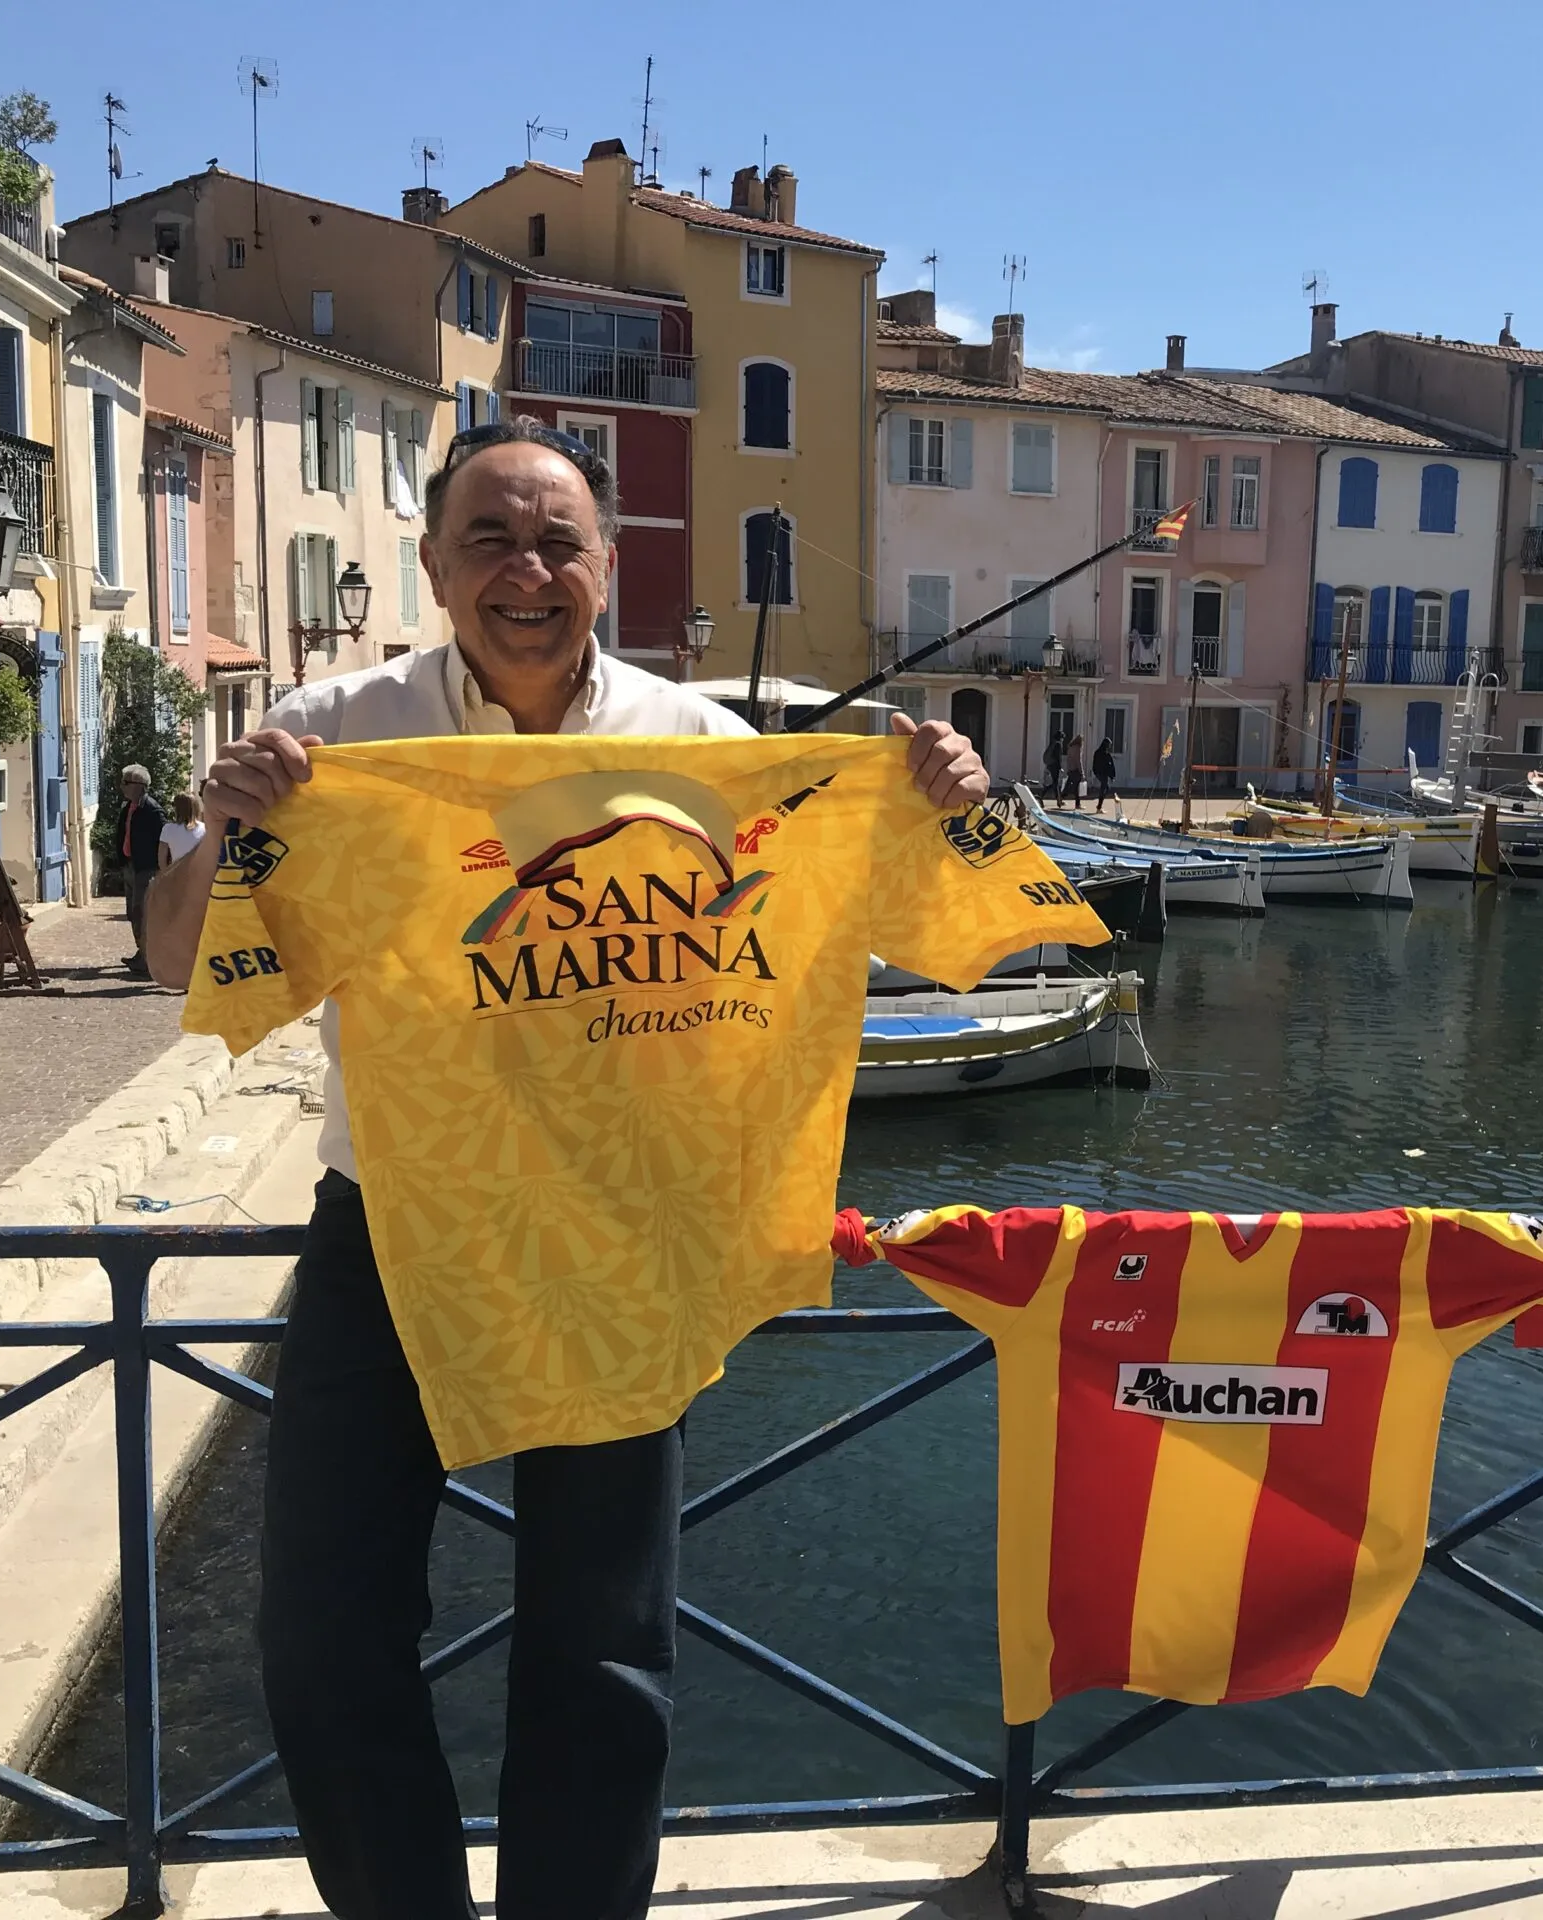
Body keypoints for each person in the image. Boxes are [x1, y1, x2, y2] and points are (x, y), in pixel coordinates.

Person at [144, 419, 987, 1920]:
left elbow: (926, 913)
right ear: (434, 565)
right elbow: (175, 959)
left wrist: (947, 803)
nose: (525, 572)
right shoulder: (338, 736)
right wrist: (224, 831)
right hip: (390, 1229)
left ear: (607, 567)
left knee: (603, 1648)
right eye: (491, 540)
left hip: (623, 1233)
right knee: (321, 1640)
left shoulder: (709, 752)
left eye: (557, 543)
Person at [113, 767, 166, 977]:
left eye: (125, 783)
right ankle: (142, 953)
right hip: (130, 865)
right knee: (132, 912)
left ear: (138, 786)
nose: (122, 787)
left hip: (146, 868)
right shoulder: (128, 807)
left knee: (142, 913)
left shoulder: (152, 809)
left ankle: (148, 958)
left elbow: (163, 838)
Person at [159, 791, 206, 873]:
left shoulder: (168, 829)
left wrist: (167, 875)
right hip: (199, 875)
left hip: (177, 875)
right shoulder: (205, 829)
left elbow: (162, 859)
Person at [1090, 733, 1118, 810]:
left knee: (1106, 788)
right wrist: (1112, 776)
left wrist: (1112, 776)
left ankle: (1099, 805)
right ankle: (1099, 806)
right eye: (1109, 745)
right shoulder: (1104, 754)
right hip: (1102, 773)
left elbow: (1111, 765)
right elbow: (1109, 766)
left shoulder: (1100, 753)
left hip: (1100, 773)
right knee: (1104, 788)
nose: (1109, 746)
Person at [1040, 726, 1064, 804]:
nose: (1063, 739)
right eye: (1062, 738)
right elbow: (1058, 757)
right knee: (1055, 783)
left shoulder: (1052, 743)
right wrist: (1060, 767)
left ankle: (1058, 800)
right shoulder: (1058, 745)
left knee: (1055, 783)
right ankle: (1043, 795)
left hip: (1050, 765)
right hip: (1055, 766)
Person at [1062, 732, 1085, 810]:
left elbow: (1068, 759)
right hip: (1076, 770)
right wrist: (1082, 772)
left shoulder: (1070, 747)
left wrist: (1068, 768)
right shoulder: (1078, 748)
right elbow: (1078, 761)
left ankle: (1061, 797)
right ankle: (1077, 804)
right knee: (1076, 787)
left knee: (1068, 785)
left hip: (1070, 769)